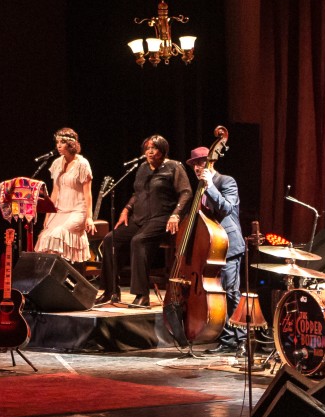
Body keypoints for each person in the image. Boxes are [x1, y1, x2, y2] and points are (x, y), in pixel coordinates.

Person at [98, 135, 192, 307]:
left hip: (162, 217)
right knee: (110, 239)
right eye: (147, 148)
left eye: (154, 148)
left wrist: (176, 214)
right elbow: (137, 193)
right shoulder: (142, 168)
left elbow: (186, 192)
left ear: (163, 151)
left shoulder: (174, 167)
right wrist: (126, 208)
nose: (149, 151)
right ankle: (110, 291)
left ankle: (142, 295)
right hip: (139, 218)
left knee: (138, 241)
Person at [187, 145, 247, 354]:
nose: (197, 167)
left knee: (231, 293)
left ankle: (243, 340)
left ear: (211, 161)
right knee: (219, 295)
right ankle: (227, 340)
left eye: (201, 162)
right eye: (194, 163)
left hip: (228, 245)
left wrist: (210, 186)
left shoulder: (225, 181)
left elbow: (226, 208)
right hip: (211, 250)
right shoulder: (199, 189)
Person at [35, 128, 96, 265]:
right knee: (45, 236)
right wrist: (48, 215)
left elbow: (88, 193)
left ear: (71, 144)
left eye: (62, 142)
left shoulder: (82, 164)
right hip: (59, 210)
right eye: (57, 142)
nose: (58, 146)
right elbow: (55, 191)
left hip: (77, 211)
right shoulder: (57, 163)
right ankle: (52, 278)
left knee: (57, 234)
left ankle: (60, 277)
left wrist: (89, 217)